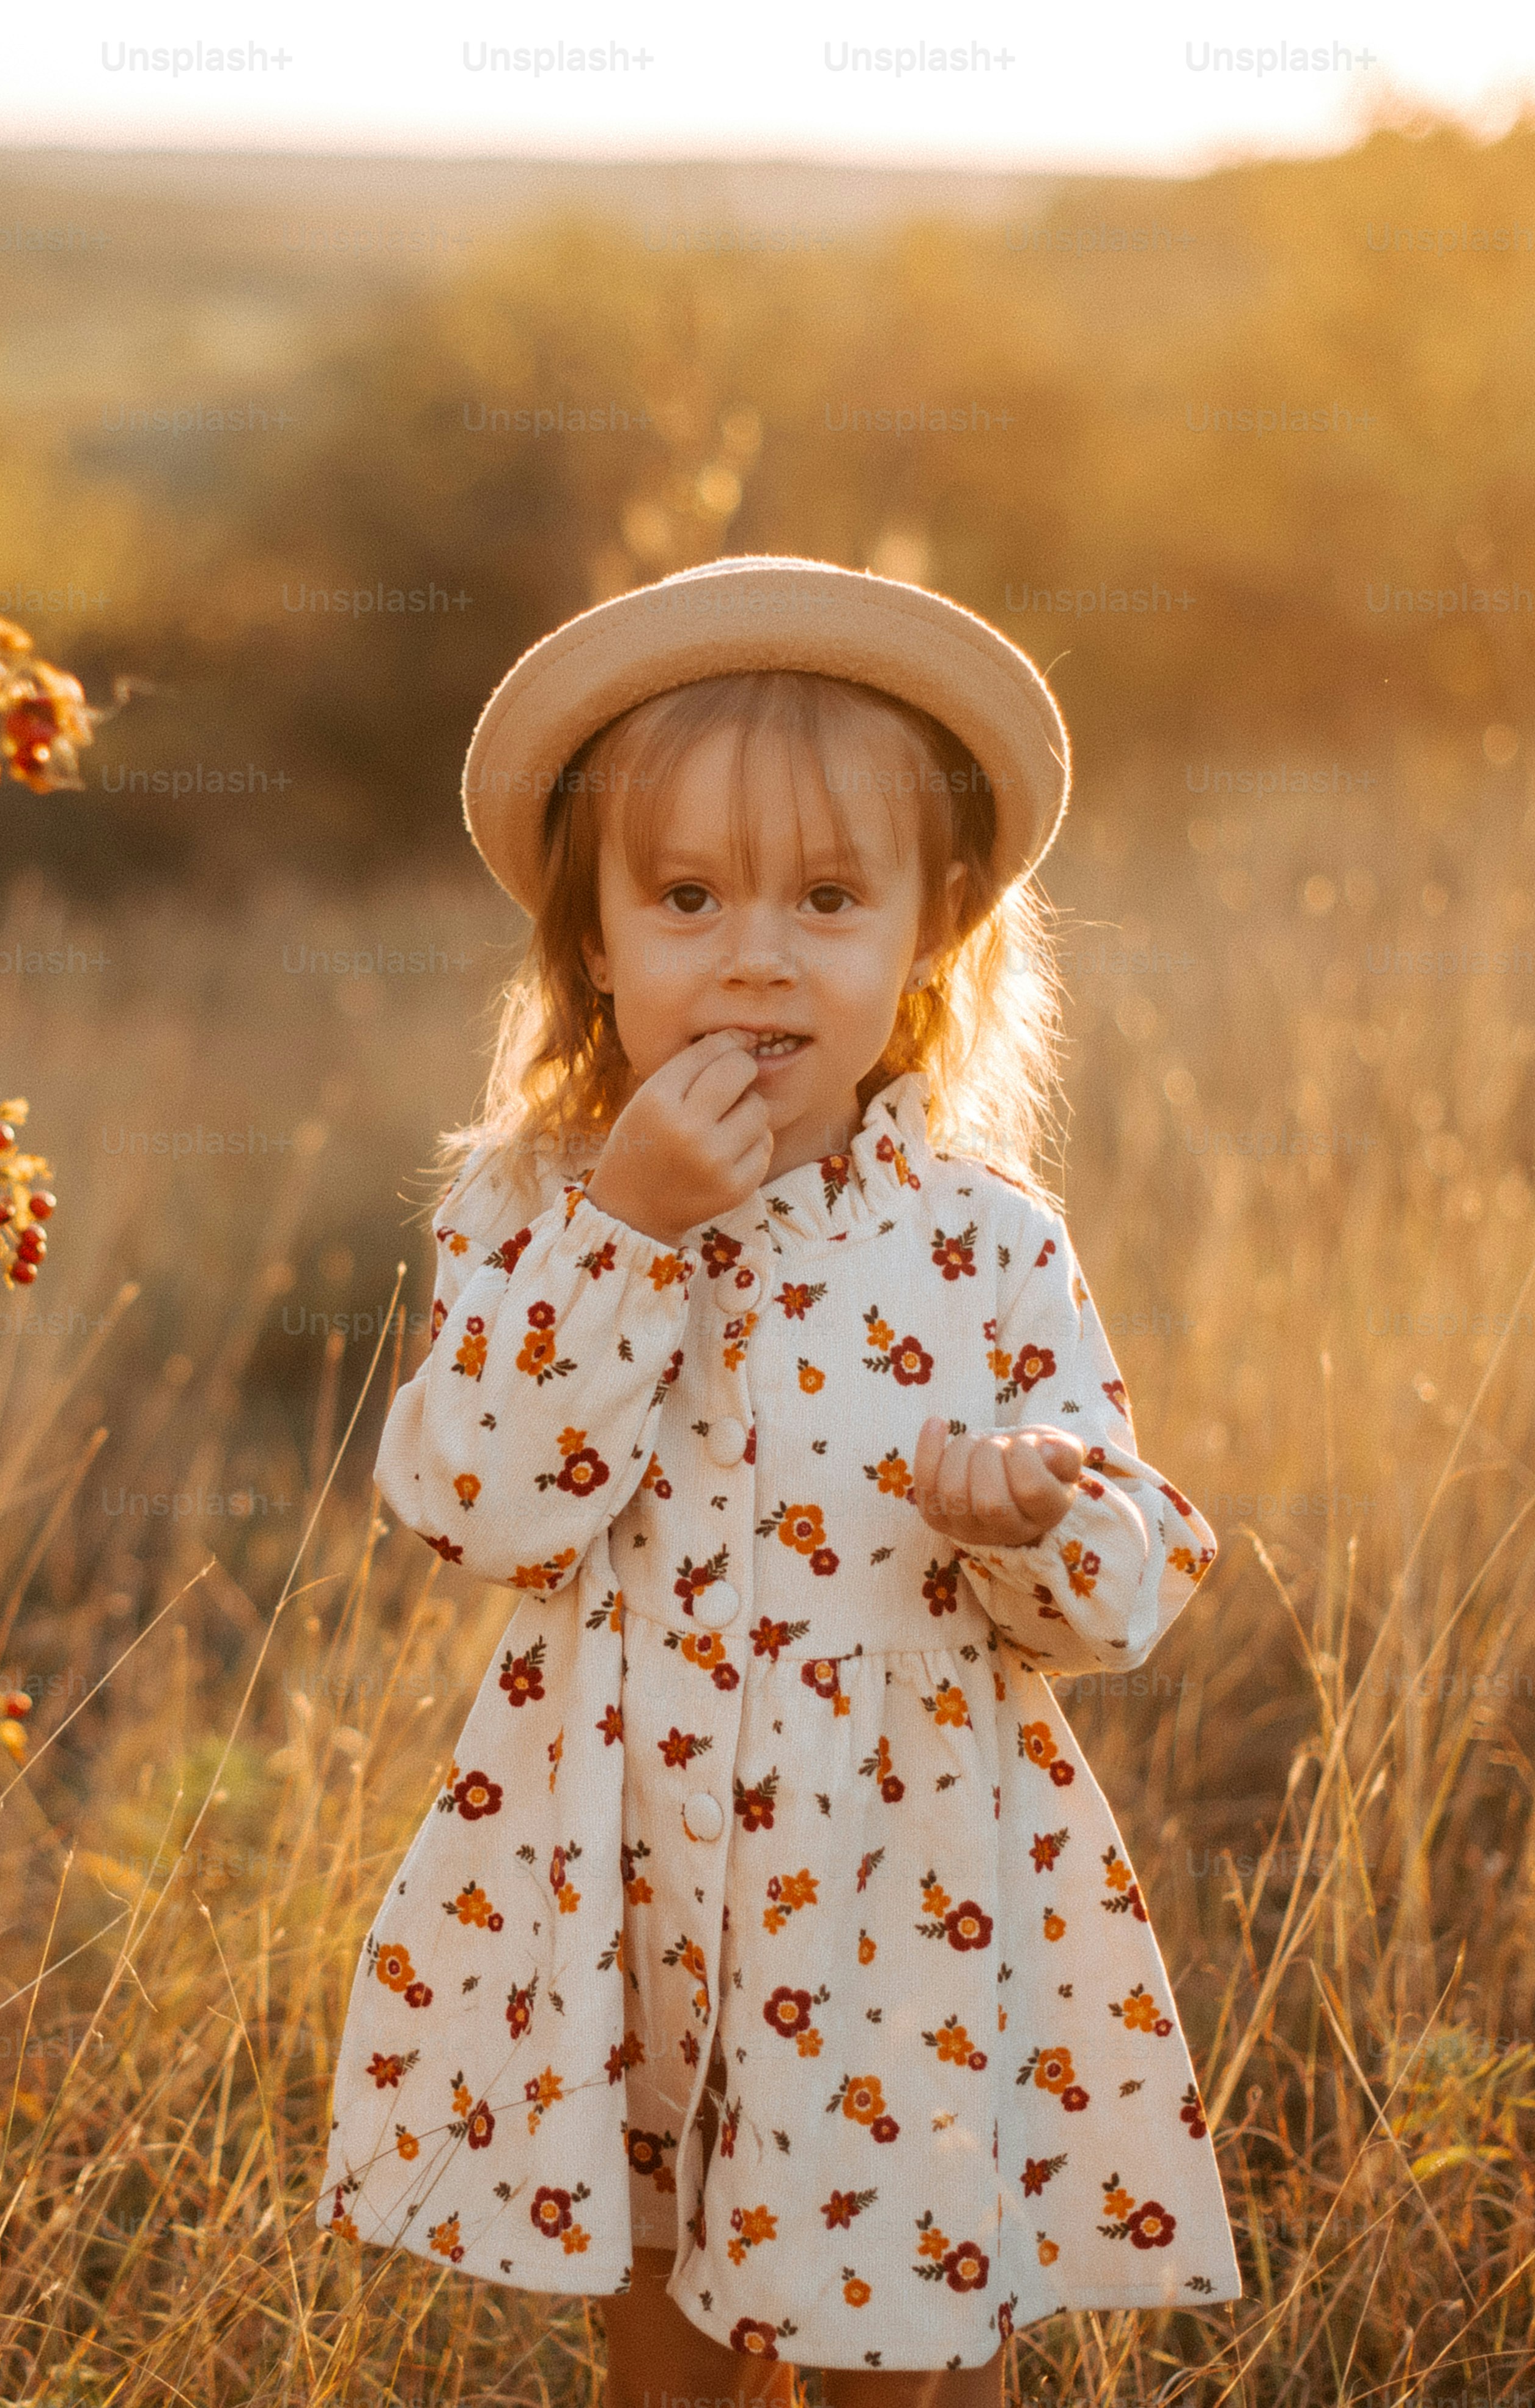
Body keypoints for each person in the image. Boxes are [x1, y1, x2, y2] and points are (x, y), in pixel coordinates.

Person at [314, 557, 1238, 2403]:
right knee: (656, 2330)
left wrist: (1032, 1525)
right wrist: (628, 1234)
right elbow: (470, 1502)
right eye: (684, 896)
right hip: (620, 1877)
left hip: (897, 1886)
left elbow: (1137, 1572)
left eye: (828, 897)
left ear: (931, 930)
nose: (755, 952)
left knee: (911, 2334)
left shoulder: (976, 1238)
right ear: (590, 938)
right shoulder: (532, 1211)